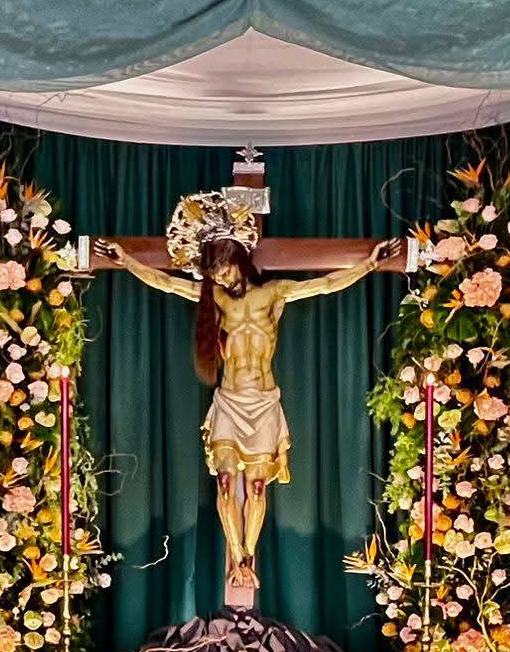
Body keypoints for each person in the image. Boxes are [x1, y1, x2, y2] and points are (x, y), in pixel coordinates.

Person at [96, 234, 403, 593]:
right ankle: (237, 556)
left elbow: (325, 285)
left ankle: (246, 558)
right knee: (225, 482)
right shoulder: (216, 298)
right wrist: (127, 261)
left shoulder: (272, 293)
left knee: (257, 488)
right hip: (229, 400)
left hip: (264, 401)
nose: (220, 278)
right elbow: (165, 282)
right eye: (214, 273)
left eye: (223, 270)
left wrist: (369, 264)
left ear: (238, 261)